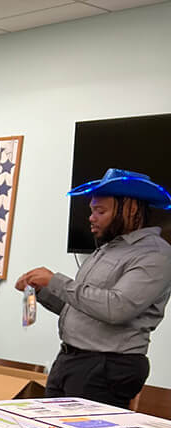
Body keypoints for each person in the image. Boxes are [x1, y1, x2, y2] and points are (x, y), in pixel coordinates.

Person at [15, 168, 171, 408]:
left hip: (106, 367)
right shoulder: (106, 249)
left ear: (130, 208)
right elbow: (83, 306)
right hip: (70, 360)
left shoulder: (155, 254)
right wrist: (40, 290)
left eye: (100, 211)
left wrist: (55, 280)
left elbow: (116, 308)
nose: (91, 218)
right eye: (92, 211)